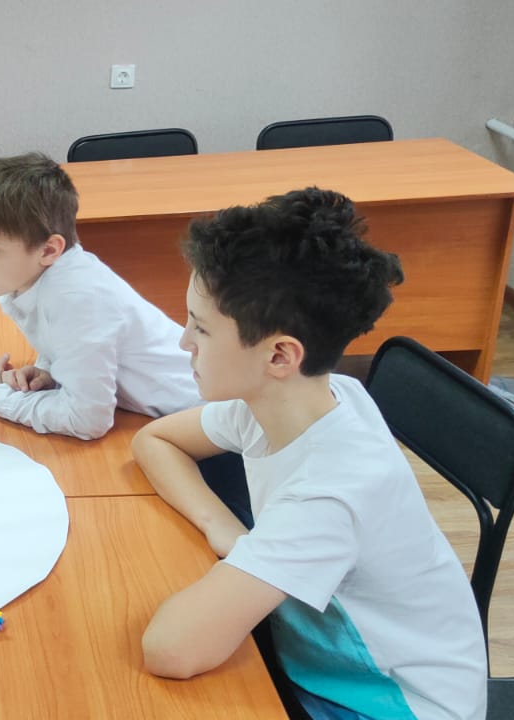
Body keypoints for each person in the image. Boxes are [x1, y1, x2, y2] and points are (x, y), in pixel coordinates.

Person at [134, 188, 486, 719]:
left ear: (280, 355)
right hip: (323, 667)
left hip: (391, 704)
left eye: (200, 327)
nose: (185, 342)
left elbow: (170, 650)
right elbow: (155, 440)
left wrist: (242, 550)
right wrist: (221, 525)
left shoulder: (330, 492)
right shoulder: (294, 401)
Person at [0, 153, 198, 440]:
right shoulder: (35, 279)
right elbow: (63, 342)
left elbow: (89, 420)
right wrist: (50, 370)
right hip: (160, 413)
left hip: (204, 418)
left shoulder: (77, 299)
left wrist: (1, 398)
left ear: (49, 250)